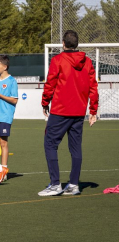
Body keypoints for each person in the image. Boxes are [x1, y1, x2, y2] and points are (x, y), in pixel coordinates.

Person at [38, 30, 98, 196]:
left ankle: (55, 184)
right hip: (79, 112)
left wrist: (45, 103)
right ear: (76, 44)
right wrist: (93, 110)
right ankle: (73, 184)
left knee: (50, 144)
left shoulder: (58, 60)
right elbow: (93, 86)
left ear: (63, 43)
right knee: (75, 148)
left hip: (60, 111)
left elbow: (50, 83)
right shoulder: (87, 62)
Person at [0, 55, 18, 180]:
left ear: (5, 67)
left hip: (5, 116)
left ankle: (3, 170)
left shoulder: (12, 81)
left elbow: (14, 100)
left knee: (3, 143)